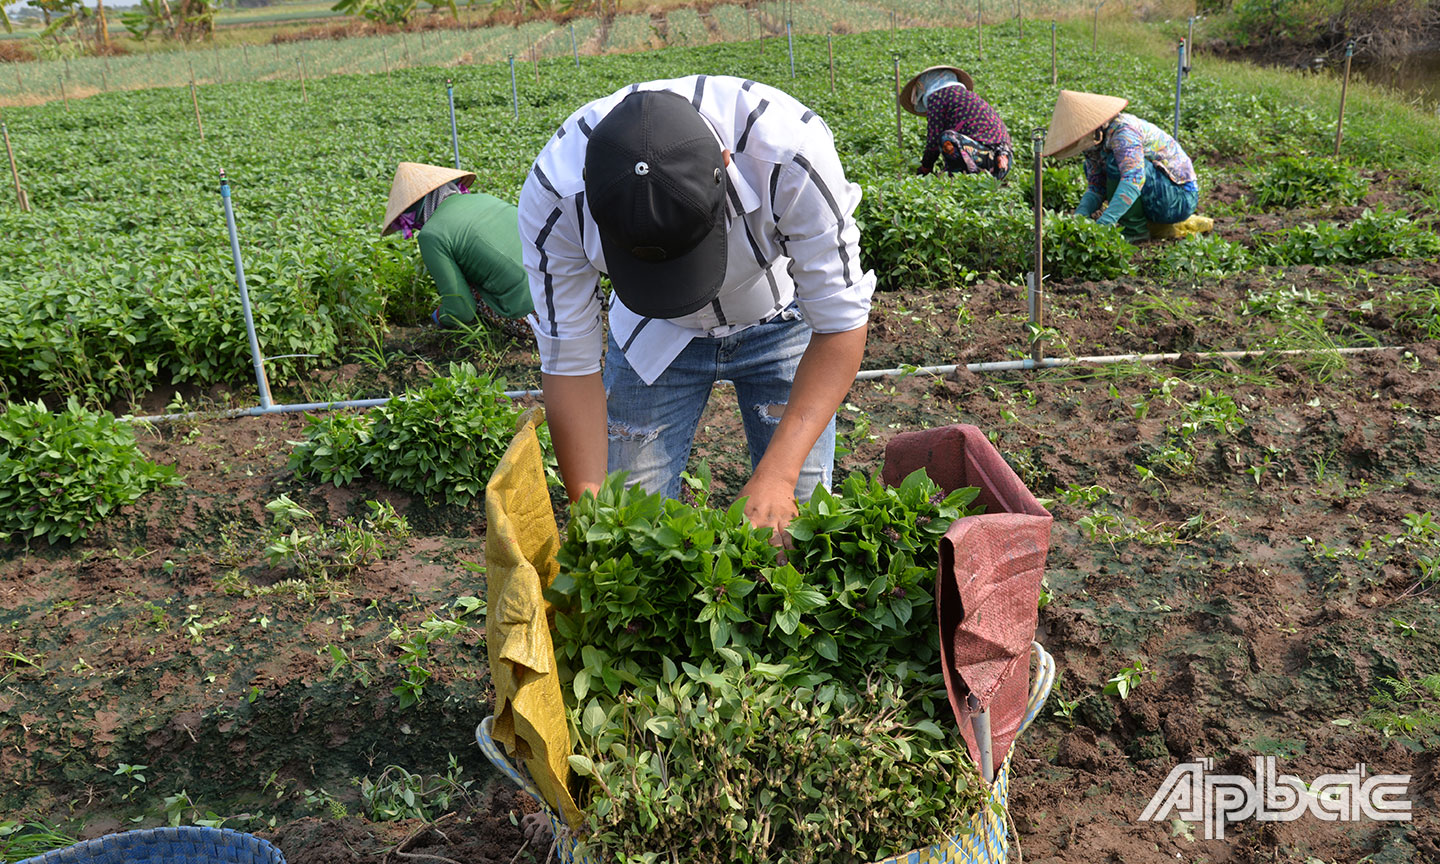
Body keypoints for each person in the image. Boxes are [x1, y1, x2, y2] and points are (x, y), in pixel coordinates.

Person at [517, 75, 875, 538]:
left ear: (724, 166)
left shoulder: (789, 154)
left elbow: (841, 321)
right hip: (650, 332)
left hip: (778, 318)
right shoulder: (556, 196)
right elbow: (569, 362)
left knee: (798, 518)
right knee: (630, 525)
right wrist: (591, 509)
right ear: (590, 195)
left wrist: (780, 474)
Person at [381, 162, 534, 335]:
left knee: (466, 288)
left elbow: (462, 310)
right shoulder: (484, 198)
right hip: (564, 290)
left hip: (537, 316)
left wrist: (440, 317)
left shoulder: (431, 235)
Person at [1041, 90, 1202, 243]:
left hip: (1179, 197)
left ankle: (1135, 231)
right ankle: (1134, 222)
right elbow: (1096, 187)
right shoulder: (1094, 144)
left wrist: (1105, 223)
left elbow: (1134, 179)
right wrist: (1079, 218)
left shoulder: (1123, 131)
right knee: (1098, 166)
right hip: (1155, 196)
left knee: (1115, 164)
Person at [899, 65, 1013, 180]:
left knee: (947, 138)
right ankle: (965, 176)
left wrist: (925, 168)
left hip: (991, 158)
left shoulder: (937, 97)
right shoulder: (961, 96)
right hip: (1003, 159)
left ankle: (959, 179)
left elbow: (933, 140)